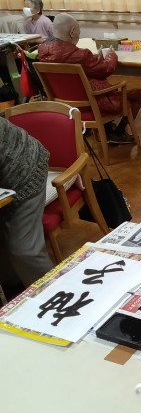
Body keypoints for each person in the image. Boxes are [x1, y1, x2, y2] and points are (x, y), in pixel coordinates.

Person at [37, 13, 141, 144]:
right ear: (72, 31)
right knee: (138, 94)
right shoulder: (81, 55)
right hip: (92, 104)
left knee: (97, 86)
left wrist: (95, 58)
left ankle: (107, 131)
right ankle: (119, 132)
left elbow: (85, 66)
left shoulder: (42, 51)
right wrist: (111, 55)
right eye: (79, 30)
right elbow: (105, 70)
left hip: (65, 106)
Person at [0, 117, 54, 298]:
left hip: (25, 168)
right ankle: (17, 293)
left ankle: (52, 295)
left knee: (24, 250)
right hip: (4, 176)